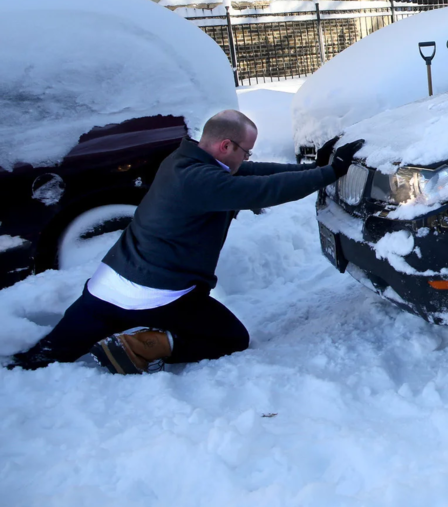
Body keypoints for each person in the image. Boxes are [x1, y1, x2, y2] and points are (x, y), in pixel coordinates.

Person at [6, 110, 363, 374]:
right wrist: (331, 174)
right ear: (226, 145)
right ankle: (143, 346)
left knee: (45, 355)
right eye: (245, 151)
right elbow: (264, 189)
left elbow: (256, 173)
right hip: (159, 292)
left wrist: (315, 169)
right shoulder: (201, 181)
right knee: (230, 338)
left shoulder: (183, 160)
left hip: (105, 288)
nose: (247, 159)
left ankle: (24, 360)